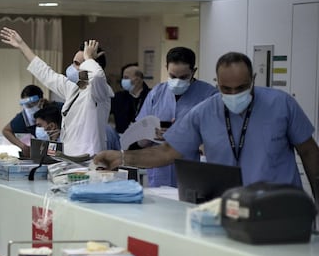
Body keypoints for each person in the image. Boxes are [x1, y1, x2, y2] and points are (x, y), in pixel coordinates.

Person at [94, 51, 319, 198]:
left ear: (253, 80)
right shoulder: (205, 112)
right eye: (226, 89)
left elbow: (309, 152)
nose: (233, 94)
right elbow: (166, 152)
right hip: (230, 206)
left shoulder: (281, 104)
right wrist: (121, 157)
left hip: (282, 206)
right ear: (217, 83)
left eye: (240, 88)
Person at [1, 27, 113, 157]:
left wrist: (89, 58)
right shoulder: (74, 89)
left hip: (89, 159)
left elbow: (97, 75)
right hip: (70, 157)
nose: (72, 67)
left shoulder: (100, 91)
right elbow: (46, 74)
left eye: (77, 64)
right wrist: (21, 45)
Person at [133, 46, 218, 187]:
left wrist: (183, 135)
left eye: (183, 77)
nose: (177, 81)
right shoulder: (156, 93)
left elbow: (215, 141)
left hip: (190, 172)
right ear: (166, 68)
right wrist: (152, 133)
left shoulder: (209, 95)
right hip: (158, 172)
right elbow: (140, 139)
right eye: (173, 76)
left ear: (193, 71)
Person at [2, 84, 47, 158]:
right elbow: (6, 131)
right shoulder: (25, 117)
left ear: (41, 101)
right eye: (26, 105)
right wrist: (22, 146)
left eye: (31, 104)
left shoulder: (56, 110)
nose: (28, 108)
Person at [111, 63, 150, 133]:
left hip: (143, 139)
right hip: (121, 138)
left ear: (137, 80)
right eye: (122, 78)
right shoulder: (118, 97)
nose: (123, 81)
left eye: (126, 78)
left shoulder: (151, 96)